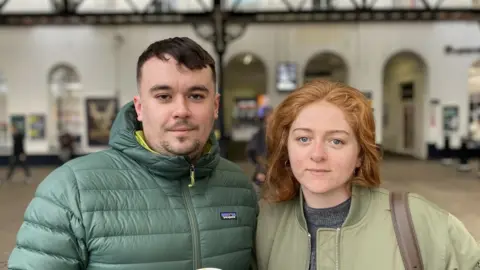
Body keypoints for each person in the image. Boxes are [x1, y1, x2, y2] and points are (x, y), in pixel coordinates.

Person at [8, 37, 258, 270]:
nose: (181, 110)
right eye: (163, 96)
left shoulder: (239, 189)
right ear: (139, 107)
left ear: (214, 106)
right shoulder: (69, 191)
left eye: (195, 95)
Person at [255, 80, 480, 270]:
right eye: (304, 139)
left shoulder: (419, 221)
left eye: (336, 141)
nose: (317, 155)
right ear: (287, 148)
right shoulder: (265, 223)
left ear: (361, 155)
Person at [246, 105, 272, 199]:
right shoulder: (262, 133)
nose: (269, 119)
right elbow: (258, 154)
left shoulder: (275, 132)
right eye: (267, 117)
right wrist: (262, 170)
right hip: (265, 173)